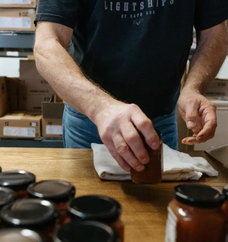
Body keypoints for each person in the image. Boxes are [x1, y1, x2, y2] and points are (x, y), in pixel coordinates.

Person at [34, 0, 228, 172]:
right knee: (88, 206)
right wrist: (102, 108)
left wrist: (193, 87)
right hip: (91, 120)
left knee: (157, 208)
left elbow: (215, 33)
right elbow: (46, 44)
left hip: (160, 120)